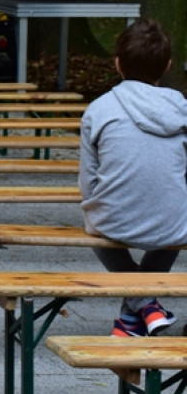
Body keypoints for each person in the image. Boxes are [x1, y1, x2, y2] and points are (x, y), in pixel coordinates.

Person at [79, 18, 187, 337]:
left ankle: (139, 308)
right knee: (175, 222)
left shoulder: (99, 110)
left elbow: (88, 183)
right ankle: (143, 308)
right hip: (172, 225)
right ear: (166, 65)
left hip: (114, 222)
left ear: (117, 63)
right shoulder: (182, 108)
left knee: (94, 227)